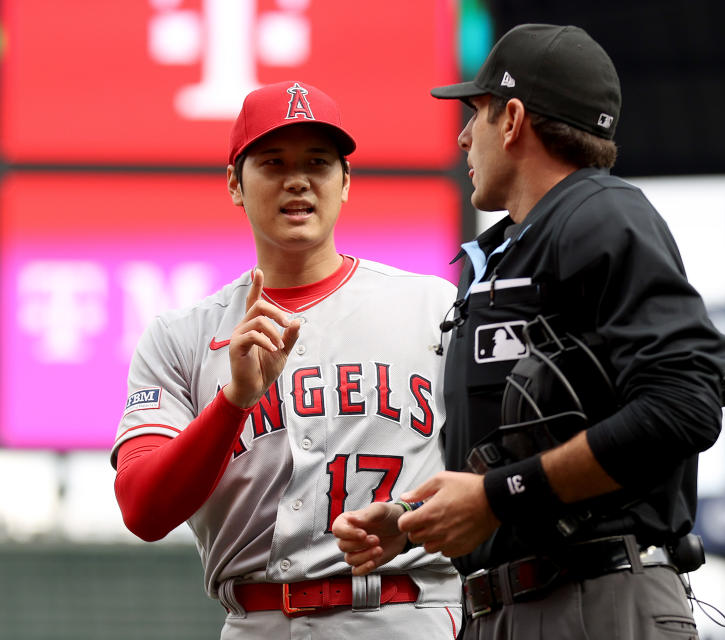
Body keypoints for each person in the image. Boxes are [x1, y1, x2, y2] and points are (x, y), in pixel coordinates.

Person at [333, 24, 725, 639]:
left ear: (513, 119)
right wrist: (417, 520)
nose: (465, 136)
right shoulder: (513, 248)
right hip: (512, 605)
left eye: (476, 114)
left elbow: (684, 406)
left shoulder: (603, 212)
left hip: (597, 599)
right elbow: (516, 449)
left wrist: (495, 497)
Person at [111, 81, 462, 639]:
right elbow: (142, 510)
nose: (296, 179)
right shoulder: (181, 336)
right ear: (234, 183)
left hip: (404, 612)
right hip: (258, 621)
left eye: (318, 162)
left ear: (345, 182)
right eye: (272, 161)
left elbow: (490, 470)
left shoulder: (433, 308)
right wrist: (234, 402)